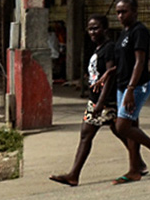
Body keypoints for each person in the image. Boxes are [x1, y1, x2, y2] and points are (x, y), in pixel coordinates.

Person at [49, 15, 144, 187]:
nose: (92, 32)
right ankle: (139, 163)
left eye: (96, 28)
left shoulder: (109, 48)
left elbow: (110, 76)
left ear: (105, 30)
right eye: (90, 28)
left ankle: (73, 175)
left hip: (105, 101)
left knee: (90, 134)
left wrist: (100, 103)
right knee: (118, 131)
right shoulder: (98, 48)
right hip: (97, 100)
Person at [112, 0, 150, 184]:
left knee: (122, 126)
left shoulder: (139, 31)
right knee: (131, 126)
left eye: (124, 12)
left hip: (137, 86)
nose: (120, 16)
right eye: (118, 12)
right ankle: (134, 169)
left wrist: (130, 89)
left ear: (134, 12)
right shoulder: (124, 33)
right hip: (122, 85)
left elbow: (140, 62)